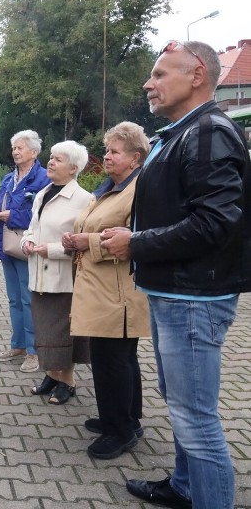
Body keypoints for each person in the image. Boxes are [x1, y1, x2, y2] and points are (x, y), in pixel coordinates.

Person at [102, 40, 251, 509]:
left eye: (161, 73)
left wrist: (136, 242)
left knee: (196, 418)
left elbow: (215, 223)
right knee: (181, 404)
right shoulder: (183, 131)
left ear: (198, 74)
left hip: (194, 299)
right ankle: (185, 486)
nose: (149, 82)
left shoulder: (209, 132)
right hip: (174, 293)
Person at [62, 122, 150, 459]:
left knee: (112, 360)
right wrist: (75, 239)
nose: (107, 157)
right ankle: (127, 418)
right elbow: (93, 225)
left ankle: (121, 430)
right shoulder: (110, 187)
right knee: (119, 358)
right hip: (101, 288)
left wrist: (89, 241)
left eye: (114, 151)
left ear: (135, 158)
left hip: (118, 291)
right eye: (108, 150)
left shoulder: (139, 189)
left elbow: (134, 236)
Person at [22, 140, 92, 405]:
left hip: (64, 278)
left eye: (58, 159)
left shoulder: (84, 199)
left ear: (74, 168)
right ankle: (52, 376)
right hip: (39, 273)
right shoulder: (44, 192)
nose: (50, 162)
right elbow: (33, 225)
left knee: (64, 332)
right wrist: (26, 241)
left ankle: (67, 382)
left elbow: (83, 242)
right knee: (46, 330)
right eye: (51, 157)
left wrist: (49, 249)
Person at [0, 130, 51, 372]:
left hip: (28, 246)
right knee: (14, 299)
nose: (15, 151)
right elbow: (0, 205)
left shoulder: (44, 178)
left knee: (29, 300)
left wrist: (11, 216)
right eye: (14, 147)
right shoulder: (7, 178)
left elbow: (43, 214)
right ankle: (18, 345)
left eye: (20, 148)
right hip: (7, 246)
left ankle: (34, 351)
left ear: (34, 153)